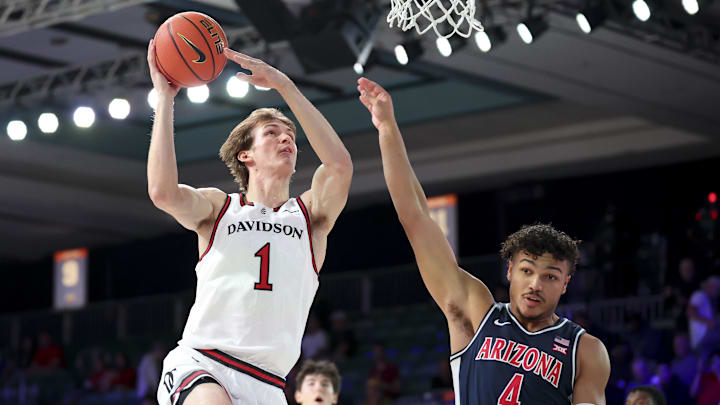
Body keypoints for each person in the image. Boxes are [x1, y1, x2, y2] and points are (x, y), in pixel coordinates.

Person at [357, 77, 610, 404]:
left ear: (565, 284)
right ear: (510, 272)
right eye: (527, 270)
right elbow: (417, 219)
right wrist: (387, 128)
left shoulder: (585, 349)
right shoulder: (477, 312)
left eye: (550, 276)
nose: (535, 284)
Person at [147, 40, 353, 405]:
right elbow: (163, 193)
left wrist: (284, 85)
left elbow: (339, 166)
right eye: (271, 133)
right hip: (202, 362)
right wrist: (165, 100)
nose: (286, 137)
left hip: (267, 383)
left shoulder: (311, 217)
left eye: (289, 135)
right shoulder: (219, 208)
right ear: (246, 155)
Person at [687, 276, 720, 353]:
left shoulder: (709, 300)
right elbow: (689, 312)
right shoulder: (699, 295)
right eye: (718, 289)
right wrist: (708, 322)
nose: (718, 293)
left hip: (707, 336)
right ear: (711, 286)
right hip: (702, 336)